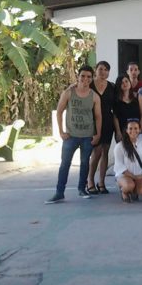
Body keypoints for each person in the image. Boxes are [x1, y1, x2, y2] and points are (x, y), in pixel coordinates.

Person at [46, 66, 102, 204]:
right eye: (83, 76)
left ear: (92, 78)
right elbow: (59, 111)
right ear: (78, 76)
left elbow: (98, 117)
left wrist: (98, 134)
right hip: (71, 136)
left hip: (87, 136)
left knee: (85, 163)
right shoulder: (69, 93)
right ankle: (59, 192)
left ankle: (82, 189)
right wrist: (61, 131)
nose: (85, 79)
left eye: (89, 77)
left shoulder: (94, 96)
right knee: (65, 164)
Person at [87, 61, 115, 195]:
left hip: (108, 122)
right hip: (92, 122)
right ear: (96, 70)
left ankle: (102, 182)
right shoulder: (89, 85)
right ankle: (90, 181)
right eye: (101, 69)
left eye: (106, 70)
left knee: (105, 151)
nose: (103, 72)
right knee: (96, 152)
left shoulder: (112, 86)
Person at [113, 119, 142, 203]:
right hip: (124, 175)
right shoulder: (119, 146)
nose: (133, 131)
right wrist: (134, 177)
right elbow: (119, 166)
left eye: (136, 128)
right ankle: (124, 191)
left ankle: (133, 191)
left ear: (139, 130)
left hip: (139, 175)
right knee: (129, 185)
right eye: (130, 128)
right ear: (126, 130)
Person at [113, 74, 142, 142]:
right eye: (122, 83)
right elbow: (115, 117)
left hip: (136, 130)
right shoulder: (116, 100)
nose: (125, 84)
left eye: (126, 81)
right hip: (122, 131)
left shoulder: (138, 96)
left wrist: (140, 129)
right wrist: (118, 132)